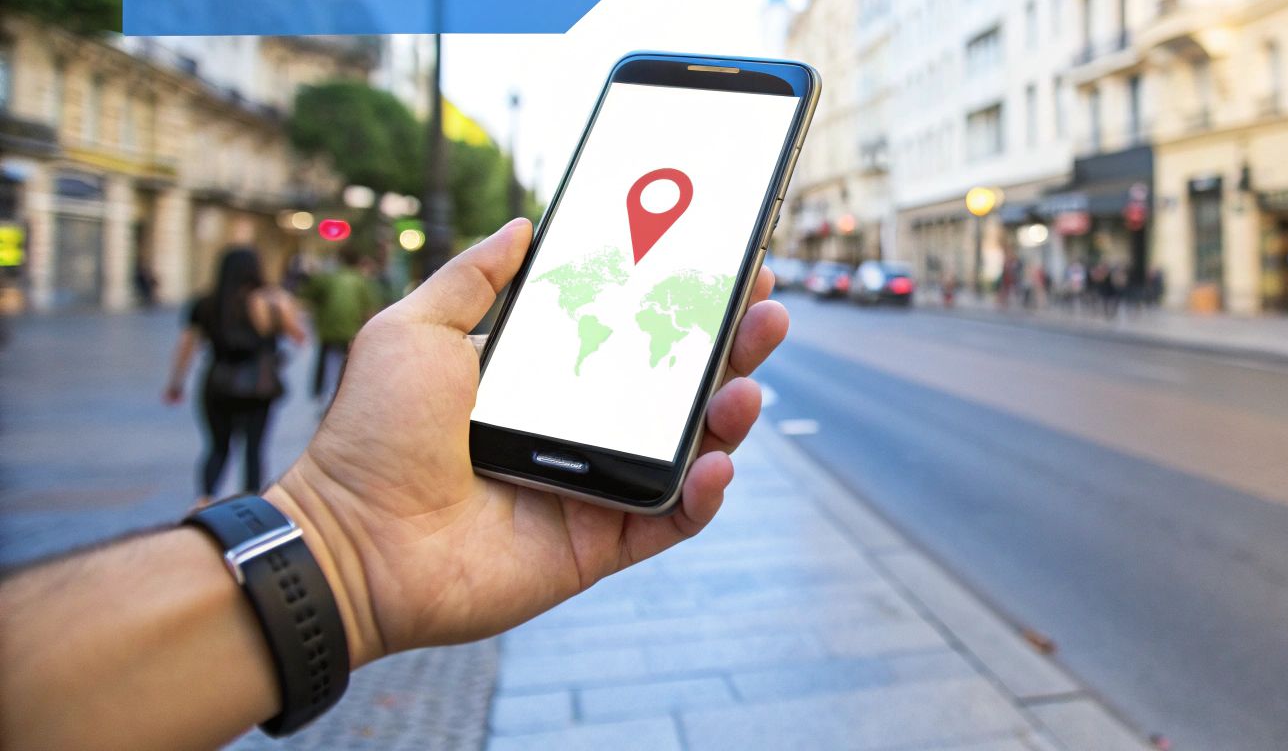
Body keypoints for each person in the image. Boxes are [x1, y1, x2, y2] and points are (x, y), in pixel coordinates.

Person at [0, 220, 788, 751]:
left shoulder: (211, 301)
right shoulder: (275, 305)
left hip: (218, 390)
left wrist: (342, 551)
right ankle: (231, 502)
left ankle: (215, 500)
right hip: (262, 398)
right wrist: (338, 552)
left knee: (222, 453)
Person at [165, 247, 308, 501]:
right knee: (254, 449)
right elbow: (298, 336)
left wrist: (176, 383)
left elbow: (187, 346)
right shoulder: (270, 301)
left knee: (217, 447)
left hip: (218, 382)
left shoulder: (205, 303)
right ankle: (250, 503)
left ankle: (205, 499)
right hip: (259, 385)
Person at [302, 246, 384, 404]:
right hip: (350, 331)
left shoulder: (328, 278)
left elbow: (308, 295)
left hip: (328, 331)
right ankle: (345, 394)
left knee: (323, 360)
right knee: (349, 364)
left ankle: (318, 393)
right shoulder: (361, 280)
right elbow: (370, 310)